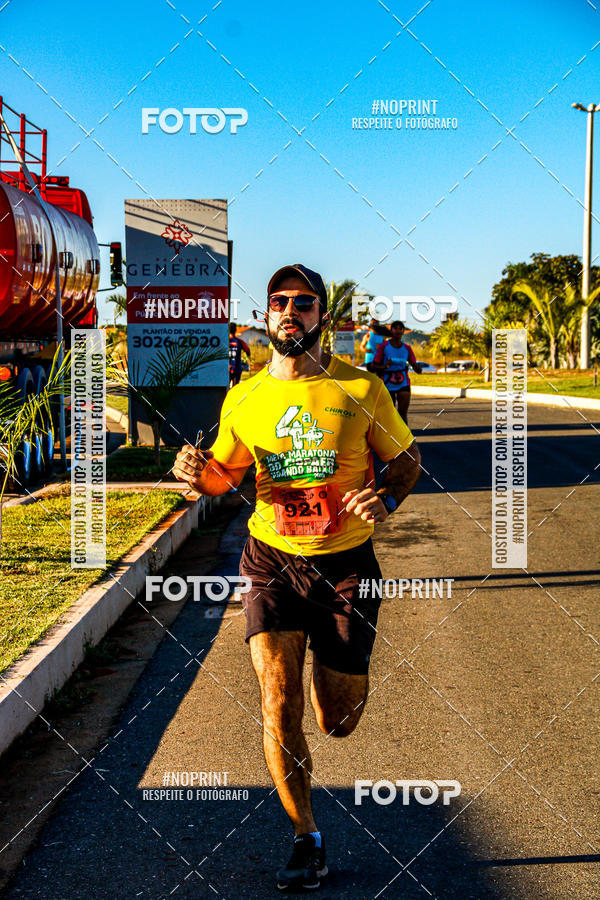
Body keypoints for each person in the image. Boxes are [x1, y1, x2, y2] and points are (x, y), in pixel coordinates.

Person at [173, 264, 421, 892]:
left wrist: (385, 500)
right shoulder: (246, 396)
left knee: (337, 720)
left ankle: (329, 682)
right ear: (266, 315)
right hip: (270, 560)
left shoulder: (361, 389)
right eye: (279, 301)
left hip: (346, 567)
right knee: (276, 703)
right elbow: (223, 480)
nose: (290, 311)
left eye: (303, 303)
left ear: (322, 316)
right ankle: (305, 838)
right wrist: (194, 470)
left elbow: (406, 460)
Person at [372, 320, 422, 425]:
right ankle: (389, 437)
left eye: (400, 328)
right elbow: (374, 365)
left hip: (403, 383)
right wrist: (385, 366)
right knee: (389, 414)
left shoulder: (407, 348)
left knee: (402, 414)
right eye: (395, 328)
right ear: (391, 330)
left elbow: (416, 366)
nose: (398, 330)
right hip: (387, 382)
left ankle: (404, 438)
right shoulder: (384, 346)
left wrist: (417, 367)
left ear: (403, 331)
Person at [229, 322, 251, 387]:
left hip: (226, 369)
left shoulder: (224, 341)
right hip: (237, 368)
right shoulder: (240, 342)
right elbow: (248, 351)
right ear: (235, 330)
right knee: (235, 388)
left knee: (226, 389)